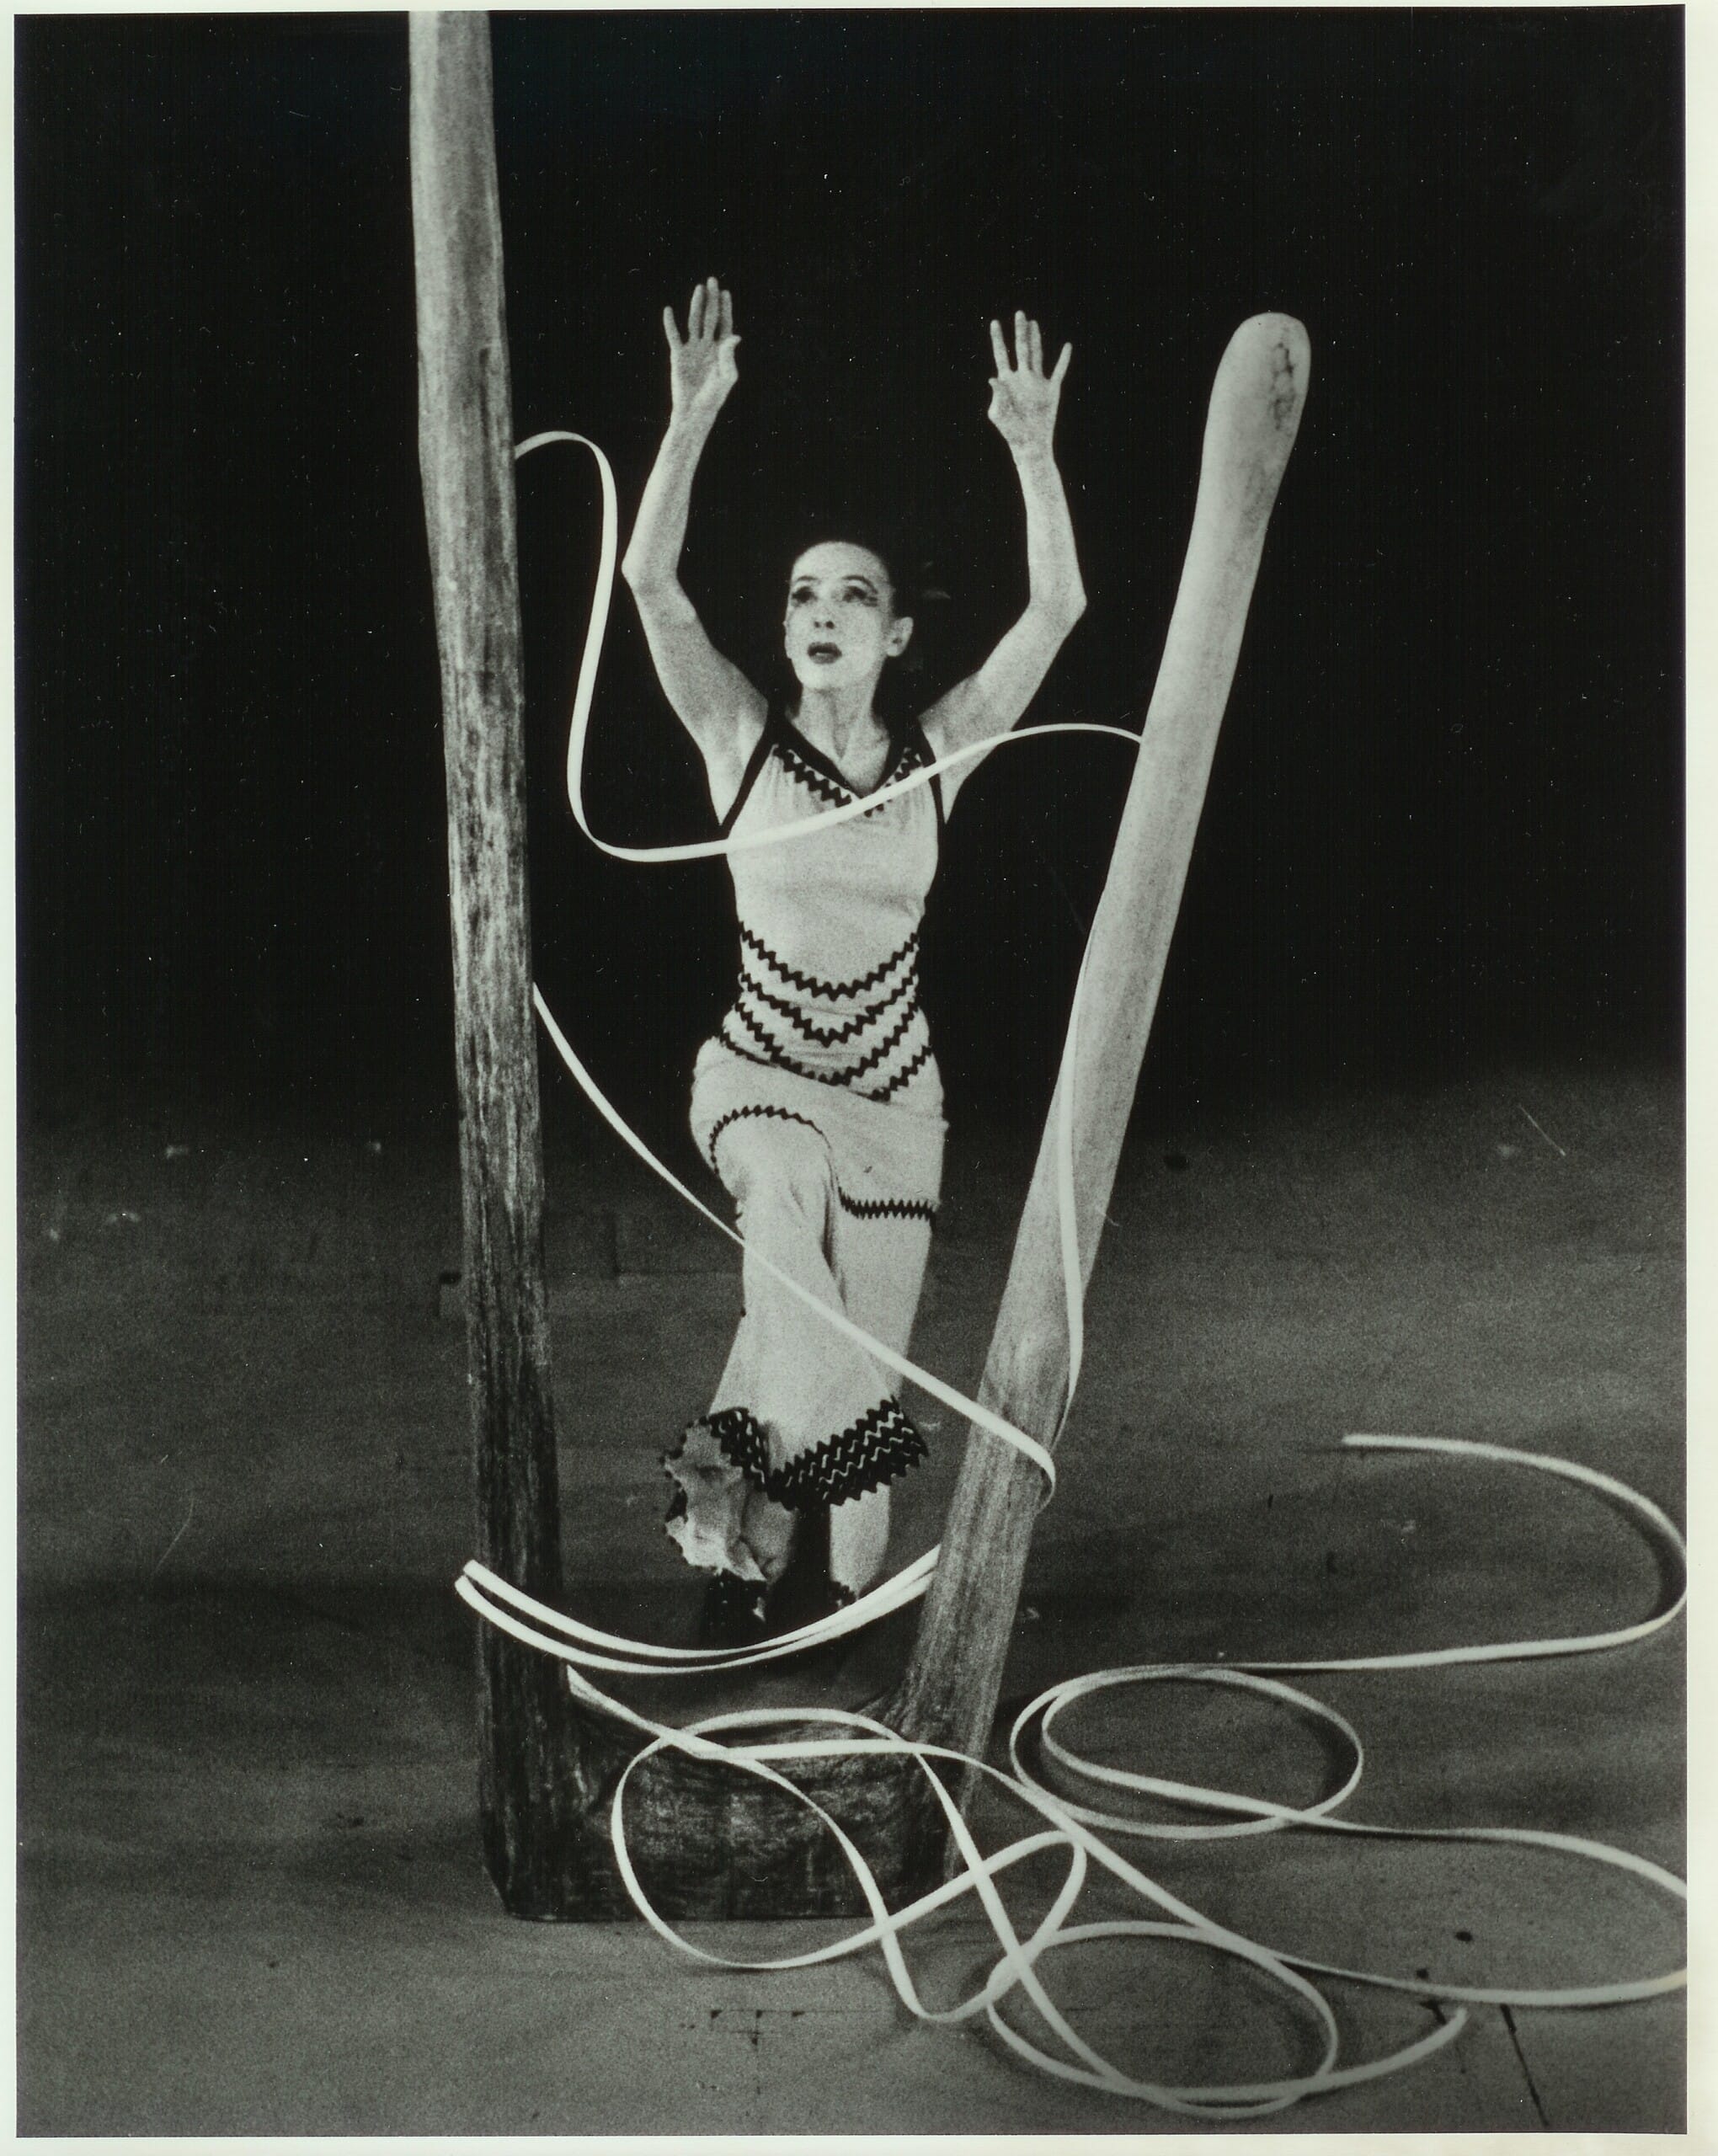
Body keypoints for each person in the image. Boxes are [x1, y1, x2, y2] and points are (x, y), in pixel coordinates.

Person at [622, 278, 1086, 1641]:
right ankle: (830, 1575)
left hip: (895, 1101)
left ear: (895, 636)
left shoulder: (939, 755)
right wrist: (690, 419)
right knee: (782, 1236)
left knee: (838, 1339)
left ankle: (735, 1559)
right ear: (785, 629)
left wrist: (1033, 453)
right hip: (758, 1074)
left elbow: (1057, 607)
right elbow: (650, 582)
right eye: (802, 595)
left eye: (855, 597)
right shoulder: (736, 738)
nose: (821, 612)